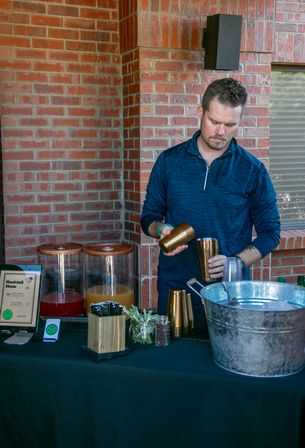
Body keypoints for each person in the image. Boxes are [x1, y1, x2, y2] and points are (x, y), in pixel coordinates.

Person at [140, 77, 281, 337]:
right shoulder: (169, 162)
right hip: (176, 288)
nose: (221, 132)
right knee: (173, 366)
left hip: (229, 292)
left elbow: (271, 234)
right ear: (201, 112)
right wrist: (161, 229)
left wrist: (235, 262)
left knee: (227, 366)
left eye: (230, 125)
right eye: (214, 121)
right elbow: (148, 216)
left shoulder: (253, 170)